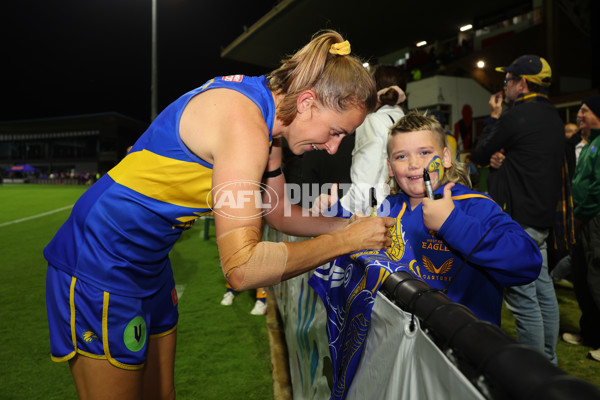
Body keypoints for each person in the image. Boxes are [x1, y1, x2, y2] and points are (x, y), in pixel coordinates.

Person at [43, 30, 394, 399]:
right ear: (307, 102)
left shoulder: (271, 119)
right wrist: (343, 242)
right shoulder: (246, 125)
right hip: (98, 261)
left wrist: (351, 226)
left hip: (149, 263)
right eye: (336, 132)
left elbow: (280, 215)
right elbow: (243, 268)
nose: (333, 146)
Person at [382, 112, 541, 325]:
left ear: (446, 158)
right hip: (403, 339)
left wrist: (453, 224)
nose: (414, 163)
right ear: (390, 167)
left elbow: (527, 263)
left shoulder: (474, 206)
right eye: (401, 156)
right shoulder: (388, 208)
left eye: (425, 152)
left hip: (463, 343)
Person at [471, 55, 564, 365]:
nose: (505, 86)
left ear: (522, 83)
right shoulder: (553, 116)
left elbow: (481, 153)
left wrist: (495, 116)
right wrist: (505, 157)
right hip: (541, 218)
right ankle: (548, 362)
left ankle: (533, 373)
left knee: (524, 302)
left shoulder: (515, 117)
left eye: (507, 80)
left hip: (519, 221)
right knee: (543, 292)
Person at [314, 65, 407, 216]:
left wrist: (338, 211)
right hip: (404, 210)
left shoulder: (373, 121)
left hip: (379, 213)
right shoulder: (408, 121)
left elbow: (364, 183)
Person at [562, 95, 600, 362]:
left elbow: (596, 189)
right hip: (583, 219)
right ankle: (590, 334)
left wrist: (581, 215)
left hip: (594, 219)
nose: (579, 115)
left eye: (584, 111)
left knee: (597, 276)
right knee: (583, 276)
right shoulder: (588, 144)